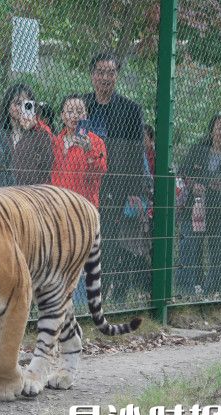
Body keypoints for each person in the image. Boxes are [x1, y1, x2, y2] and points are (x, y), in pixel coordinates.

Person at [83, 52, 149, 303]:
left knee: (107, 238)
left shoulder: (130, 110)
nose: (105, 78)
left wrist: (134, 188)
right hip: (85, 181)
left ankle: (102, 290)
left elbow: (135, 153)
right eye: (100, 72)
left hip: (114, 184)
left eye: (111, 72)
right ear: (92, 76)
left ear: (117, 77)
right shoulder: (83, 105)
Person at [51, 94, 108, 305]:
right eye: (70, 111)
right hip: (58, 209)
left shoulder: (95, 142)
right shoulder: (56, 141)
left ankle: (82, 306)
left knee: (82, 261)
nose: (74, 115)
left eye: (79, 111)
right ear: (62, 115)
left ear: (86, 115)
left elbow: (100, 172)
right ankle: (60, 303)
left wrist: (89, 152)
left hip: (84, 210)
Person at [177, 115, 221, 296]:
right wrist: (193, 184)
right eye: (220, 127)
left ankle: (215, 290)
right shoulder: (198, 149)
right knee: (190, 245)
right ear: (211, 130)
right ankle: (187, 288)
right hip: (197, 206)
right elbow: (183, 172)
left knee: (218, 247)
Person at [0, 83, 53, 185]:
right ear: (7, 106)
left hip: (30, 194)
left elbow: (46, 169)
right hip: (2, 192)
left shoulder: (40, 135)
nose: (21, 108)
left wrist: (31, 130)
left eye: (26, 104)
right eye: (17, 103)